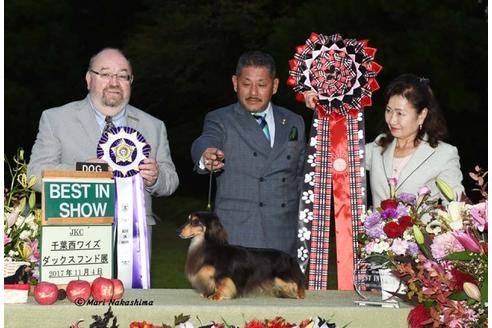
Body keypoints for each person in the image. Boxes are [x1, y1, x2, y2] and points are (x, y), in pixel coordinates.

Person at [27, 48, 179, 247]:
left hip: (133, 245)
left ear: (130, 82)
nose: (114, 82)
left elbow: (171, 180)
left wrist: (156, 177)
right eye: (105, 74)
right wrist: (82, 172)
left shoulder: (154, 126)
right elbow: (34, 176)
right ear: (89, 79)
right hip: (75, 240)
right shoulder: (56, 119)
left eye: (123, 76)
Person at [191, 50, 306, 256]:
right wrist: (206, 155)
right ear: (235, 83)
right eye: (246, 84)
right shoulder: (221, 119)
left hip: (282, 236)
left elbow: (301, 176)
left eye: (261, 85)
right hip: (235, 237)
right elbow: (206, 140)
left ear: (275, 85)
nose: (253, 92)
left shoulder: (294, 122)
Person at [304, 73, 464, 207]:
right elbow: (338, 156)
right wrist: (323, 113)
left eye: (400, 113)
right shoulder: (378, 147)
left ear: (421, 115)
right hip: (375, 242)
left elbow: (457, 205)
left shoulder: (444, 154)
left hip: (422, 244)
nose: (392, 120)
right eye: (389, 111)